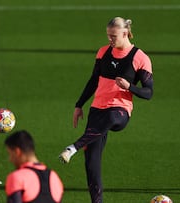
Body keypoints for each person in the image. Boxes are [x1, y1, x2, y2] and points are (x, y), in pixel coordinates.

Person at [59, 17, 153, 202]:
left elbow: (149, 92)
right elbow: (93, 80)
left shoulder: (139, 57)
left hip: (120, 110)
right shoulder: (103, 52)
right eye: (108, 35)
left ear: (125, 33)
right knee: (91, 162)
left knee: (110, 118)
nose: (110, 39)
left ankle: (73, 147)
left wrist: (129, 87)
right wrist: (79, 105)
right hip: (97, 109)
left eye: (114, 36)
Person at [4, 130, 64, 203]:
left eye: (10, 154)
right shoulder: (54, 177)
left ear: (17, 152)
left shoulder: (17, 177)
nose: (10, 159)